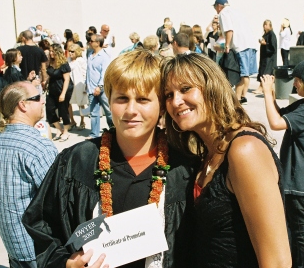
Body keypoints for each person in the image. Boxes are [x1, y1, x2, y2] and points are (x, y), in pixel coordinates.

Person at [22, 49, 197, 268]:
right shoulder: (78, 162)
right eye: (122, 98)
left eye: (143, 99)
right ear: (109, 100)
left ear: (162, 106)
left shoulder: (185, 169)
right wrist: (64, 263)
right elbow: (43, 225)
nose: (131, 110)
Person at [162, 53, 291, 268]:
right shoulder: (207, 152)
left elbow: (277, 262)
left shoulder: (244, 150)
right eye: (168, 95)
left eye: (185, 89)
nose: (176, 101)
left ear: (212, 88)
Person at [261, 58, 304, 268]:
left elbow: (275, 123)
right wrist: (271, 93)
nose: (295, 84)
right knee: (293, 227)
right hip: (294, 178)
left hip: (298, 180)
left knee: (301, 231)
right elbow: (279, 114)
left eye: (298, 80)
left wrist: (265, 92)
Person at [0, 80, 58, 268]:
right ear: (22, 105)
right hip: (37, 246)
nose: (43, 101)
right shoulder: (39, 146)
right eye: (38, 97)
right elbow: (57, 200)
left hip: (12, 240)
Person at [214, 0, 258, 105]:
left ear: (219, 6)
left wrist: (227, 46)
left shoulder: (223, 13)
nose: (215, 9)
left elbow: (229, 30)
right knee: (245, 74)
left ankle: (237, 99)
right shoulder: (236, 12)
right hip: (250, 45)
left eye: (215, 7)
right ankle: (242, 97)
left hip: (240, 46)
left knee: (239, 73)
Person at [86, 33, 113, 138]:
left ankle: (113, 130)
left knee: (108, 111)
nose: (89, 42)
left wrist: (100, 86)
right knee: (93, 113)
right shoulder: (90, 55)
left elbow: (104, 73)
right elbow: (89, 71)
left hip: (101, 89)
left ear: (98, 43)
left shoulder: (104, 56)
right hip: (91, 89)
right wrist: (86, 85)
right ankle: (94, 134)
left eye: (91, 41)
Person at [45, 44, 74, 141]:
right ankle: (59, 129)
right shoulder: (51, 62)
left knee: (63, 110)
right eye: (50, 51)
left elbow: (67, 80)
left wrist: (63, 94)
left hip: (63, 89)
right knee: (49, 109)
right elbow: (51, 74)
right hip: (52, 89)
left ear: (58, 52)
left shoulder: (64, 64)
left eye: (53, 51)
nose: (51, 53)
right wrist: (45, 82)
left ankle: (66, 131)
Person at [254, 20, 277, 95]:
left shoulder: (271, 34)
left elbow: (273, 47)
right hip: (264, 57)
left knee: (266, 72)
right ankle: (267, 88)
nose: (264, 26)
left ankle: (261, 87)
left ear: (270, 25)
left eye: (266, 25)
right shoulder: (266, 34)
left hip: (269, 58)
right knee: (263, 71)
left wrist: (265, 44)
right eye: (264, 24)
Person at [68, 43, 88, 130]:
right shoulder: (68, 60)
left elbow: (85, 73)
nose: (70, 53)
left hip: (79, 84)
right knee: (68, 103)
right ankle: (72, 121)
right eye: (69, 51)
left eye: (72, 51)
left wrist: (85, 86)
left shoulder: (81, 60)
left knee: (81, 104)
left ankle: (82, 121)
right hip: (70, 84)